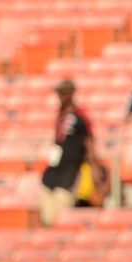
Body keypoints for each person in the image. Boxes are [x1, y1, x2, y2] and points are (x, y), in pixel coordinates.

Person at [40, 79, 95, 227]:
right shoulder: (60, 116)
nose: (60, 97)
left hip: (70, 173)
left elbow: (89, 142)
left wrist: (93, 167)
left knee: (61, 213)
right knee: (47, 218)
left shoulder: (80, 117)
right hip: (53, 173)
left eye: (63, 93)